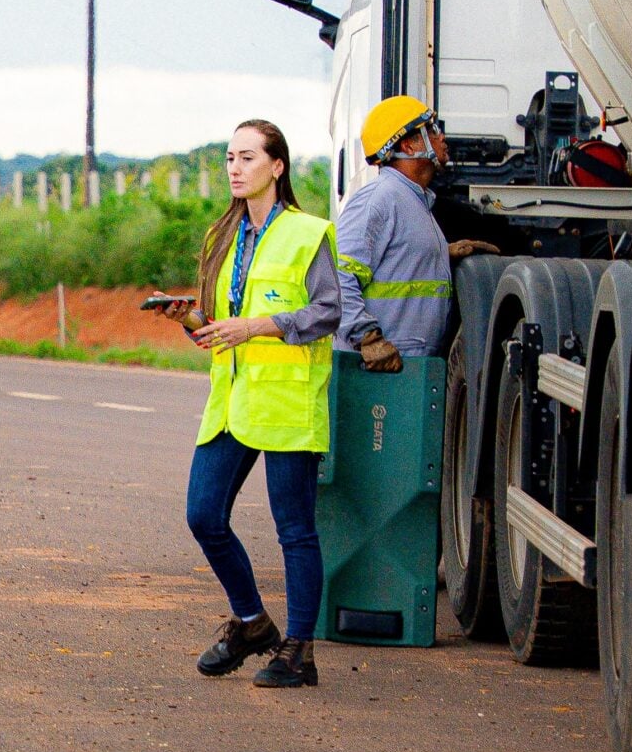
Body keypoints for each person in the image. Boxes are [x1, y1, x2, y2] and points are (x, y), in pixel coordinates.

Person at [160, 119, 346, 690]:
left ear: (277, 166)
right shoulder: (225, 239)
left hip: (288, 401)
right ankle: (251, 622)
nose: (235, 168)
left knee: (295, 529)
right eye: (229, 159)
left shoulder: (307, 233)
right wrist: (193, 322)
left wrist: (258, 326)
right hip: (232, 403)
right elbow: (223, 329)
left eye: (246, 157)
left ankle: (299, 652)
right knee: (203, 515)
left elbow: (329, 311)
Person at [335, 96, 494, 373]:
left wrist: (440, 253)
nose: (441, 136)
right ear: (408, 145)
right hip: (378, 369)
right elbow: (338, 276)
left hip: (407, 365)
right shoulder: (379, 199)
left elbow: (394, 262)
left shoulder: (414, 199)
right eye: (430, 130)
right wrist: (367, 338)